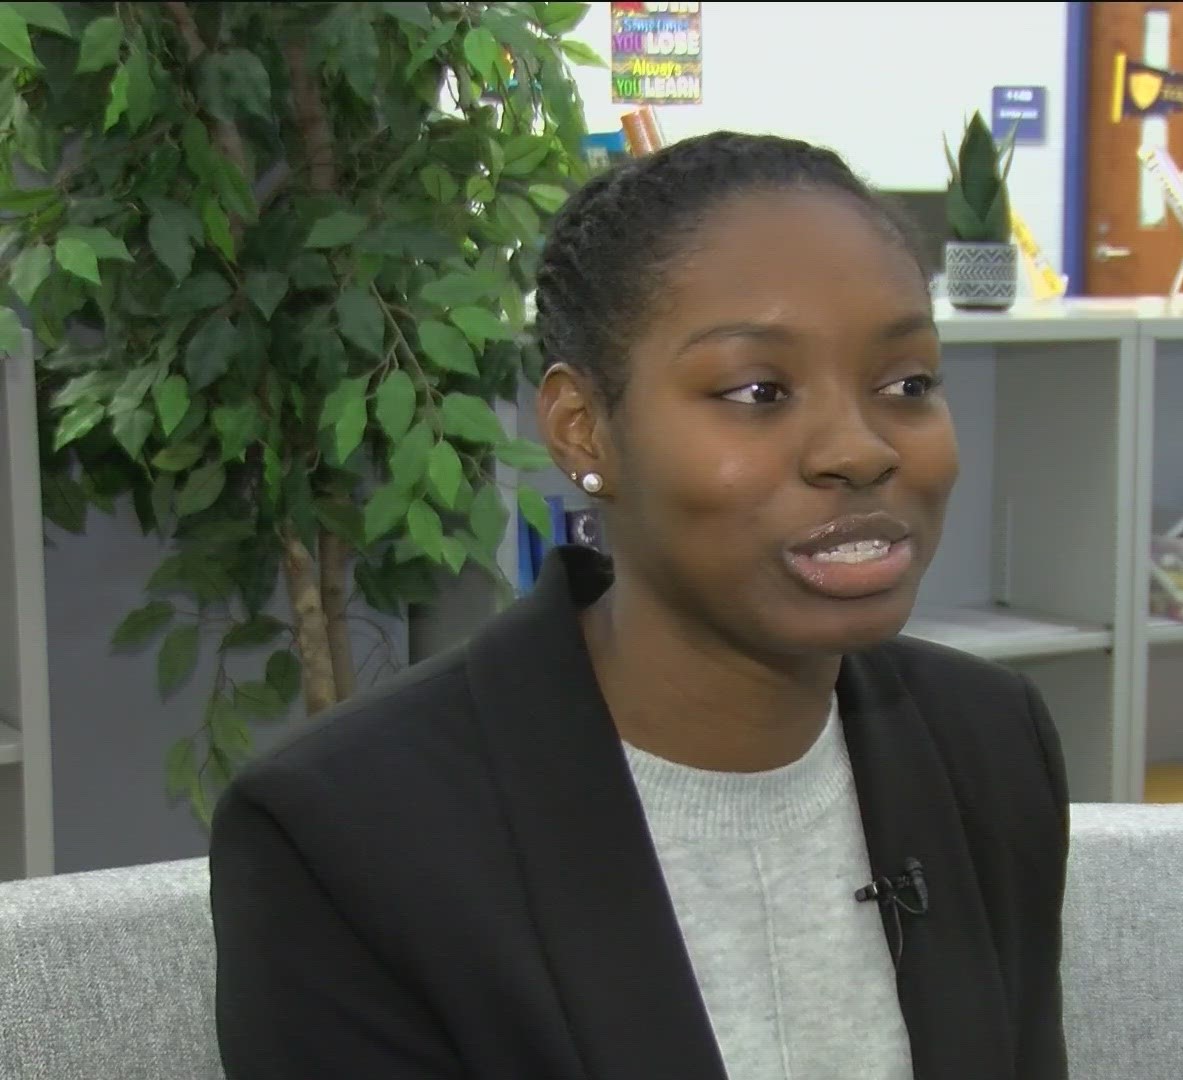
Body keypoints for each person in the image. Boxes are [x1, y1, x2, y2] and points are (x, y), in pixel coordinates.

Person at [207, 131, 1072, 1080]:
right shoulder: (346, 834)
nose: (860, 449)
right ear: (585, 429)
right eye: (758, 390)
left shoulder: (990, 743)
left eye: (907, 384)